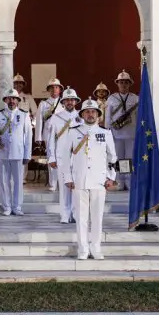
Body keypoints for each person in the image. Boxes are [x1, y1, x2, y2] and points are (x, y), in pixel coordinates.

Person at [63, 98, 117, 260]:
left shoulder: (105, 133)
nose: (90, 114)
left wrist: (111, 177)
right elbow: (65, 157)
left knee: (97, 217)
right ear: (82, 114)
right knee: (81, 218)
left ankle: (96, 248)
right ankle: (83, 249)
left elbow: (112, 158)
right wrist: (67, 177)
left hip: (99, 181)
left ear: (98, 115)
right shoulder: (73, 132)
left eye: (93, 111)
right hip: (79, 180)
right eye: (87, 111)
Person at [0, 89, 32, 216]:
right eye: (9, 98)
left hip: (19, 153)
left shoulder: (24, 115)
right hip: (3, 153)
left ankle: (17, 207)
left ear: (18, 101)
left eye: (14, 99)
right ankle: (6, 206)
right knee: (4, 182)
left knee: (18, 182)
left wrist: (27, 154)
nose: (12, 101)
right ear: (5, 100)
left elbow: (28, 135)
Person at [47, 87, 82, 224]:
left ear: (76, 101)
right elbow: (51, 139)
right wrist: (51, 157)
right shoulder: (56, 117)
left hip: (77, 157)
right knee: (64, 188)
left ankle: (75, 213)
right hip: (62, 157)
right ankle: (64, 214)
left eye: (72, 100)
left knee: (76, 187)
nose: (70, 102)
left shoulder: (81, 117)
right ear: (63, 101)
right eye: (67, 100)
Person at [105, 70, 138, 190]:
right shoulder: (111, 98)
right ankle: (119, 180)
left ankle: (128, 181)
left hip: (131, 133)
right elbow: (107, 116)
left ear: (129, 84)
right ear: (117, 84)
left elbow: (139, 117)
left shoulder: (135, 99)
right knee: (118, 157)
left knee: (129, 158)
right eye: (121, 82)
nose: (123, 84)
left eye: (126, 82)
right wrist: (107, 132)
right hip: (116, 133)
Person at [35, 78, 64, 191]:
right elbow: (39, 121)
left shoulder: (64, 102)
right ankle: (53, 183)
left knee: (62, 158)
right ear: (48, 90)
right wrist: (38, 137)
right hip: (48, 134)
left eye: (56, 87)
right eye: (51, 88)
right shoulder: (43, 104)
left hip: (62, 135)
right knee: (51, 158)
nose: (54, 89)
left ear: (60, 90)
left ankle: (62, 181)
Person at [13, 73, 37, 184]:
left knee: (24, 152)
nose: (18, 85)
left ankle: (22, 177)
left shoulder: (28, 97)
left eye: (20, 83)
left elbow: (35, 113)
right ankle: (13, 176)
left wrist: (32, 125)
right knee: (12, 152)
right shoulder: (9, 97)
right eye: (16, 83)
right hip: (11, 129)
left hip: (24, 128)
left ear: (23, 85)